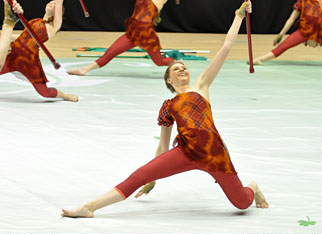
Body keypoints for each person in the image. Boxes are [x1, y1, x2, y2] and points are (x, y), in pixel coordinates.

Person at [62, 1, 269, 219]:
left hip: (215, 154)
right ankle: (90, 207)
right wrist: (152, 179)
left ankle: (253, 187)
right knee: (139, 175)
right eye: (176, 68)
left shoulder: (201, 87)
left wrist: (239, 16)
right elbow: (163, 145)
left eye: (184, 68)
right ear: (168, 80)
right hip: (186, 152)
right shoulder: (168, 106)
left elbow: (226, 47)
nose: (182, 69)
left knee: (242, 204)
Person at [67, 0, 177, 76]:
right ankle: (84, 70)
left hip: (146, 34)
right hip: (133, 33)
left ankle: (177, 64)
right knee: (110, 52)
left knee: (159, 62)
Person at [0, 0, 78, 102]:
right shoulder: (35, 21)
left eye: (55, 4)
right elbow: (22, 37)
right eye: (51, 2)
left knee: (44, 92)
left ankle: (65, 95)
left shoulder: (53, 26)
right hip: (14, 57)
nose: (52, 3)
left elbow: (59, 2)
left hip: (29, 62)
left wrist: (59, 2)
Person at [252, 0, 322, 66]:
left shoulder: (321, 2)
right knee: (284, 45)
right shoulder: (301, 2)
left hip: (321, 31)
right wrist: (281, 34)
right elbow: (291, 19)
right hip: (305, 31)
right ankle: (260, 59)